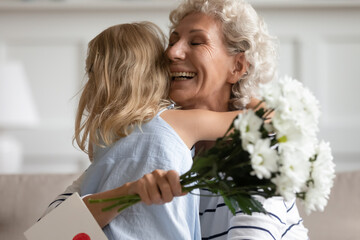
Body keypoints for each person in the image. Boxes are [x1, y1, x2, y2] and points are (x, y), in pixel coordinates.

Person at [43, 0, 309, 239]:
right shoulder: (154, 140)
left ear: (237, 67)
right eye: (172, 41)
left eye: (195, 42)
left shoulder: (263, 151)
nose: (172, 53)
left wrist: (254, 103)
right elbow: (51, 230)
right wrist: (129, 192)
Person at [64, 21, 252, 239]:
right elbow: (255, 123)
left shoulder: (104, 138)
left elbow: (59, 226)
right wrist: (253, 98)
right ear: (159, 72)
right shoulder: (178, 122)